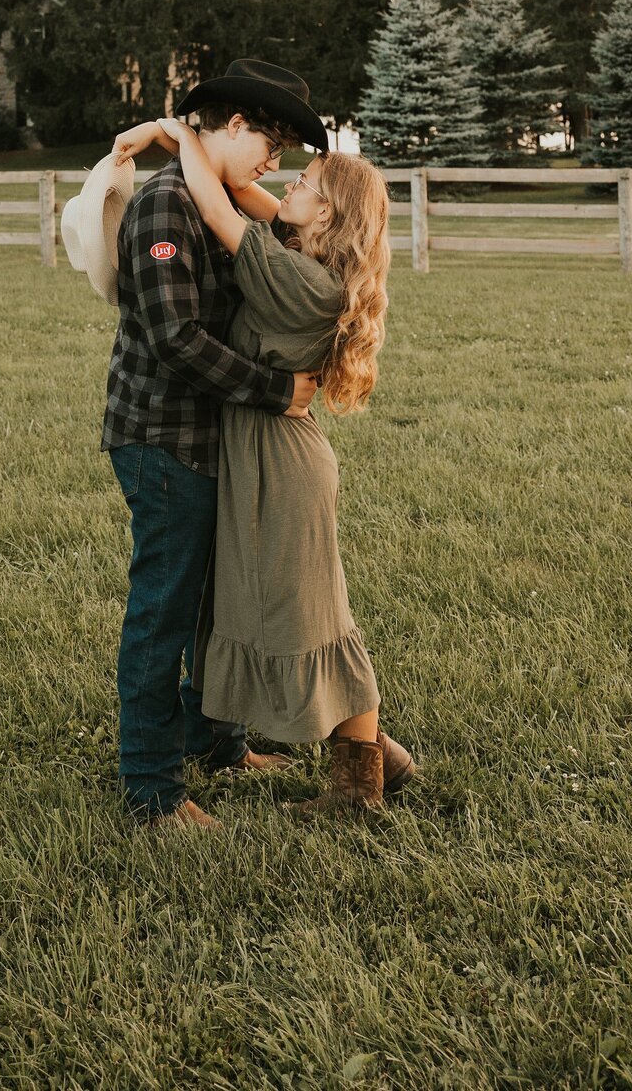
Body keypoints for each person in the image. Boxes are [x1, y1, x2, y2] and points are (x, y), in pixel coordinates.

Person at [111, 112, 415, 820]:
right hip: (265, 452)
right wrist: (212, 153)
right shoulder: (309, 259)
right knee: (277, 611)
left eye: (303, 180)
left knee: (314, 621)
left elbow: (221, 206)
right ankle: (371, 759)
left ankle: (363, 782)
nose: (285, 181)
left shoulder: (298, 279)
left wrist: (182, 137)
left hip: (281, 464)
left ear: (329, 212)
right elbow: (260, 204)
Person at [101, 60, 328, 828]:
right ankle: (152, 789)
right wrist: (276, 393)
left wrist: (173, 133)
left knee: (218, 597)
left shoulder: (220, 200)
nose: (277, 161)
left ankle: (217, 741)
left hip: (215, 437)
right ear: (233, 125)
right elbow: (174, 340)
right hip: (164, 438)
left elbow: (296, 235)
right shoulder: (166, 207)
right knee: (165, 610)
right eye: (273, 142)